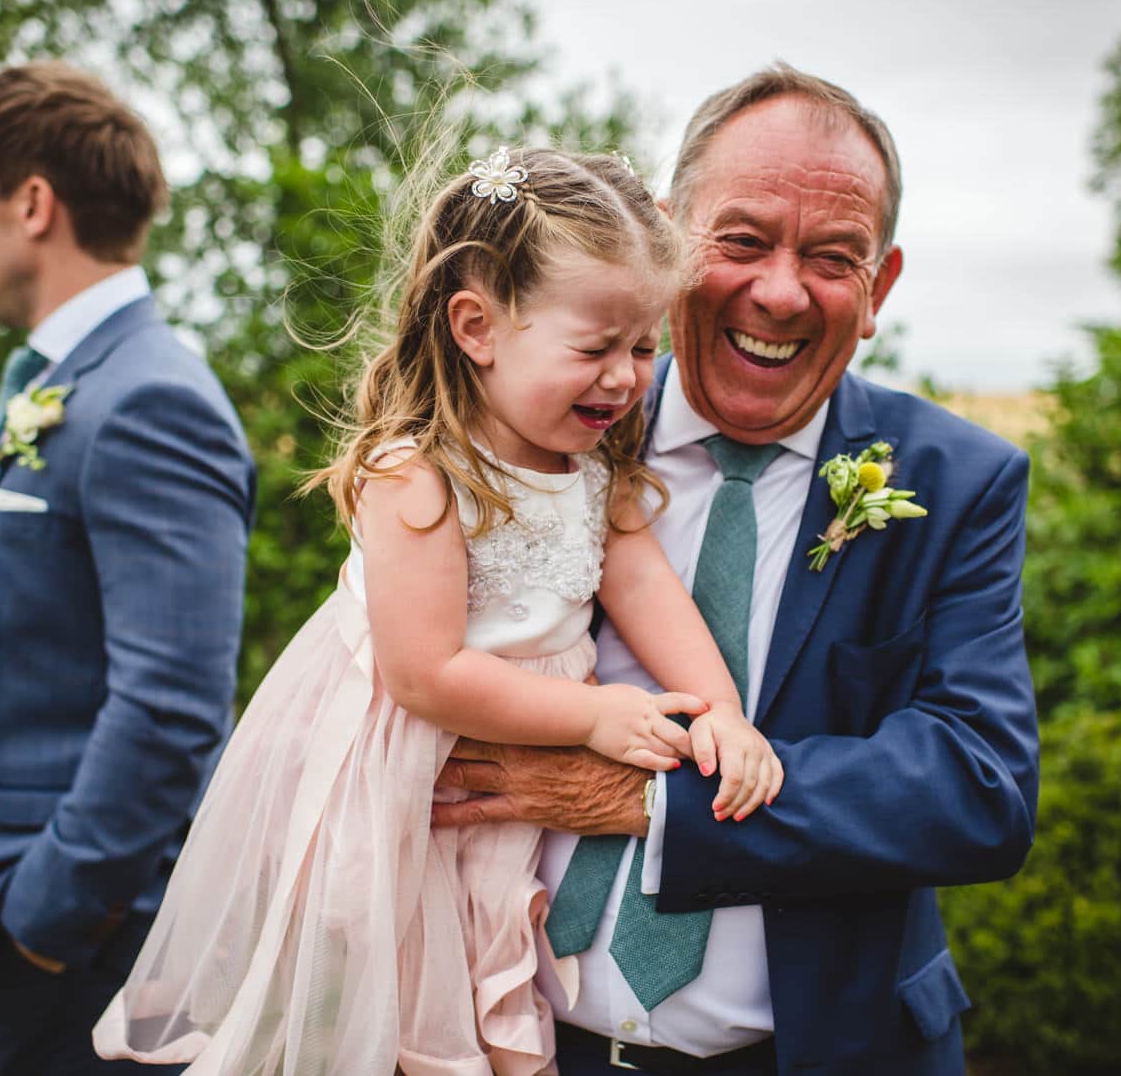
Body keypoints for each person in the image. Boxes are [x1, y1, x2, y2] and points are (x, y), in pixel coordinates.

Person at [92, 146, 782, 1075]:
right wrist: (596, 715)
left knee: (491, 984)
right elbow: (425, 675)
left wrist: (721, 712)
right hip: (414, 786)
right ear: (477, 325)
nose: (623, 379)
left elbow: (648, 588)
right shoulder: (417, 473)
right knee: (404, 1016)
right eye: (593, 348)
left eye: (643, 346)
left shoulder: (591, 469)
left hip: (510, 783)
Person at [432, 65, 1041, 1075]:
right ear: (666, 245)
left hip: (809, 1051)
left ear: (878, 288)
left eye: (833, 257)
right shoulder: (536, 428)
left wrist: (652, 800)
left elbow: (977, 787)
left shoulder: (955, 482)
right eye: (743, 240)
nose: (778, 291)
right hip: (509, 1040)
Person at [0, 63, 255, 1076]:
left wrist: (41, 922)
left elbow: (172, 705)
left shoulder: (151, 400)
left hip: (59, 949)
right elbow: (64, 627)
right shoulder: (52, 377)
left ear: (31, 204)